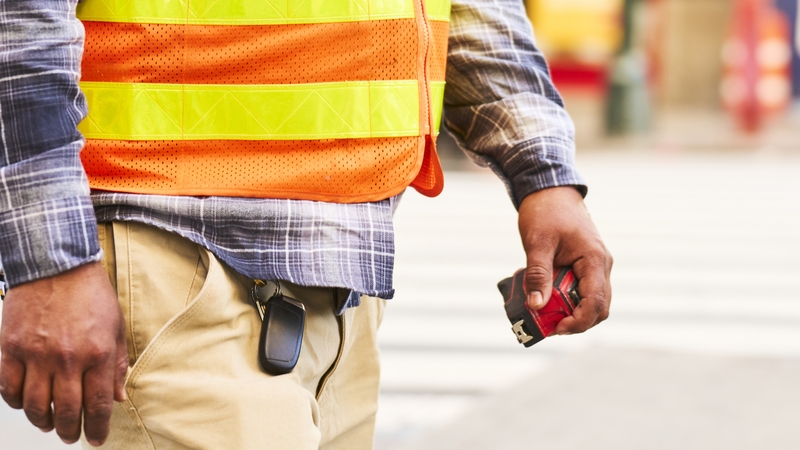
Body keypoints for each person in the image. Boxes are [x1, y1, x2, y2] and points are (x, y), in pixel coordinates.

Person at [0, 0, 613, 448]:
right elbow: (20, 22)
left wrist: (544, 174)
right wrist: (51, 261)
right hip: (179, 256)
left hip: (345, 285)